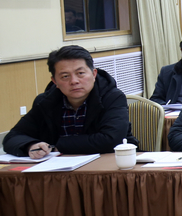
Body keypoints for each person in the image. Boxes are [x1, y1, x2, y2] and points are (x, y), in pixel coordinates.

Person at [3, 45, 138, 158]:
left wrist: (56, 146)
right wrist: (30, 145)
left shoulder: (112, 97)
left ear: (94, 74)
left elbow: (110, 140)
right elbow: (12, 137)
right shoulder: (45, 102)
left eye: (80, 73)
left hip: (110, 163)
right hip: (59, 169)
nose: (74, 81)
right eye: (65, 76)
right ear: (55, 81)